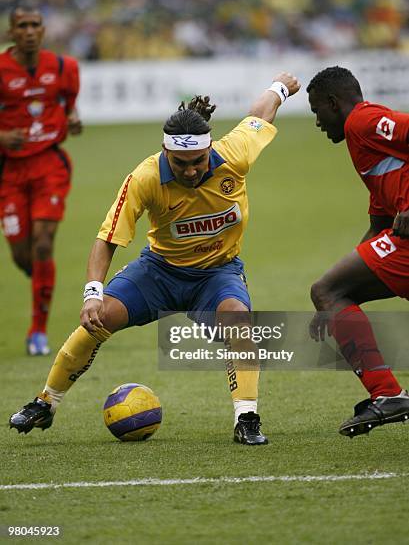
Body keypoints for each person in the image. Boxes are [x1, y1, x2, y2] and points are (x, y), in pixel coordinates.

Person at [9, 72, 300, 445]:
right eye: (180, 164)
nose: (191, 170)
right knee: (100, 319)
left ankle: (247, 418)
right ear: (166, 154)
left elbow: (260, 114)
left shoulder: (234, 154)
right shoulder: (145, 177)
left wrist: (279, 88)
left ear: (209, 148)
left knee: (238, 323)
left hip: (217, 273)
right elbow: (107, 238)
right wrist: (92, 294)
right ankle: (45, 403)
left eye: (197, 161)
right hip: (159, 272)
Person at [307, 66, 409, 438]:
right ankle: (388, 394)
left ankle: (388, 395)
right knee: (330, 292)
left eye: (317, 110)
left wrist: (330, 296)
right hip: (401, 243)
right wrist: (334, 309)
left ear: (334, 103)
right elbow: (379, 229)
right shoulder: (368, 150)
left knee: (327, 289)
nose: (317, 122)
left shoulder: (363, 122)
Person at [0, 7, 82, 356]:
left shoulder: (65, 68)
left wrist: (73, 120)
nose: (30, 31)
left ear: (44, 30)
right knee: (22, 254)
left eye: (35, 25)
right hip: (9, 171)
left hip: (50, 163)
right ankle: (43, 283)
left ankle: (38, 331)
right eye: (23, 26)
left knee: (43, 242)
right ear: (12, 31)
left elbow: (69, 107)